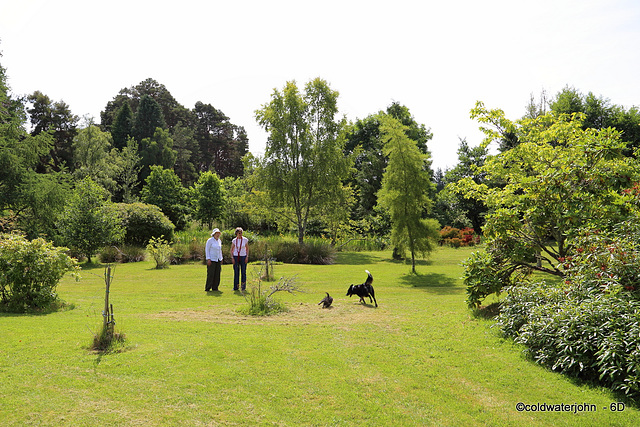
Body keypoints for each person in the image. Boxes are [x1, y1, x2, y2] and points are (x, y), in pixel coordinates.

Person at [230, 227, 249, 291]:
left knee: (243, 272)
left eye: (241, 233)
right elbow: (231, 250)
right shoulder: (234, 240)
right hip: (236, 256)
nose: (240, 234)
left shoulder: (245, 240)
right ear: (236, 233)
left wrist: (247, 257)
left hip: (243, 256)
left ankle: (243, 287)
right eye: (239, 233)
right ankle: (236, 287)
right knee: (236, 272)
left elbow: (247, 248)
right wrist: (232, 257)